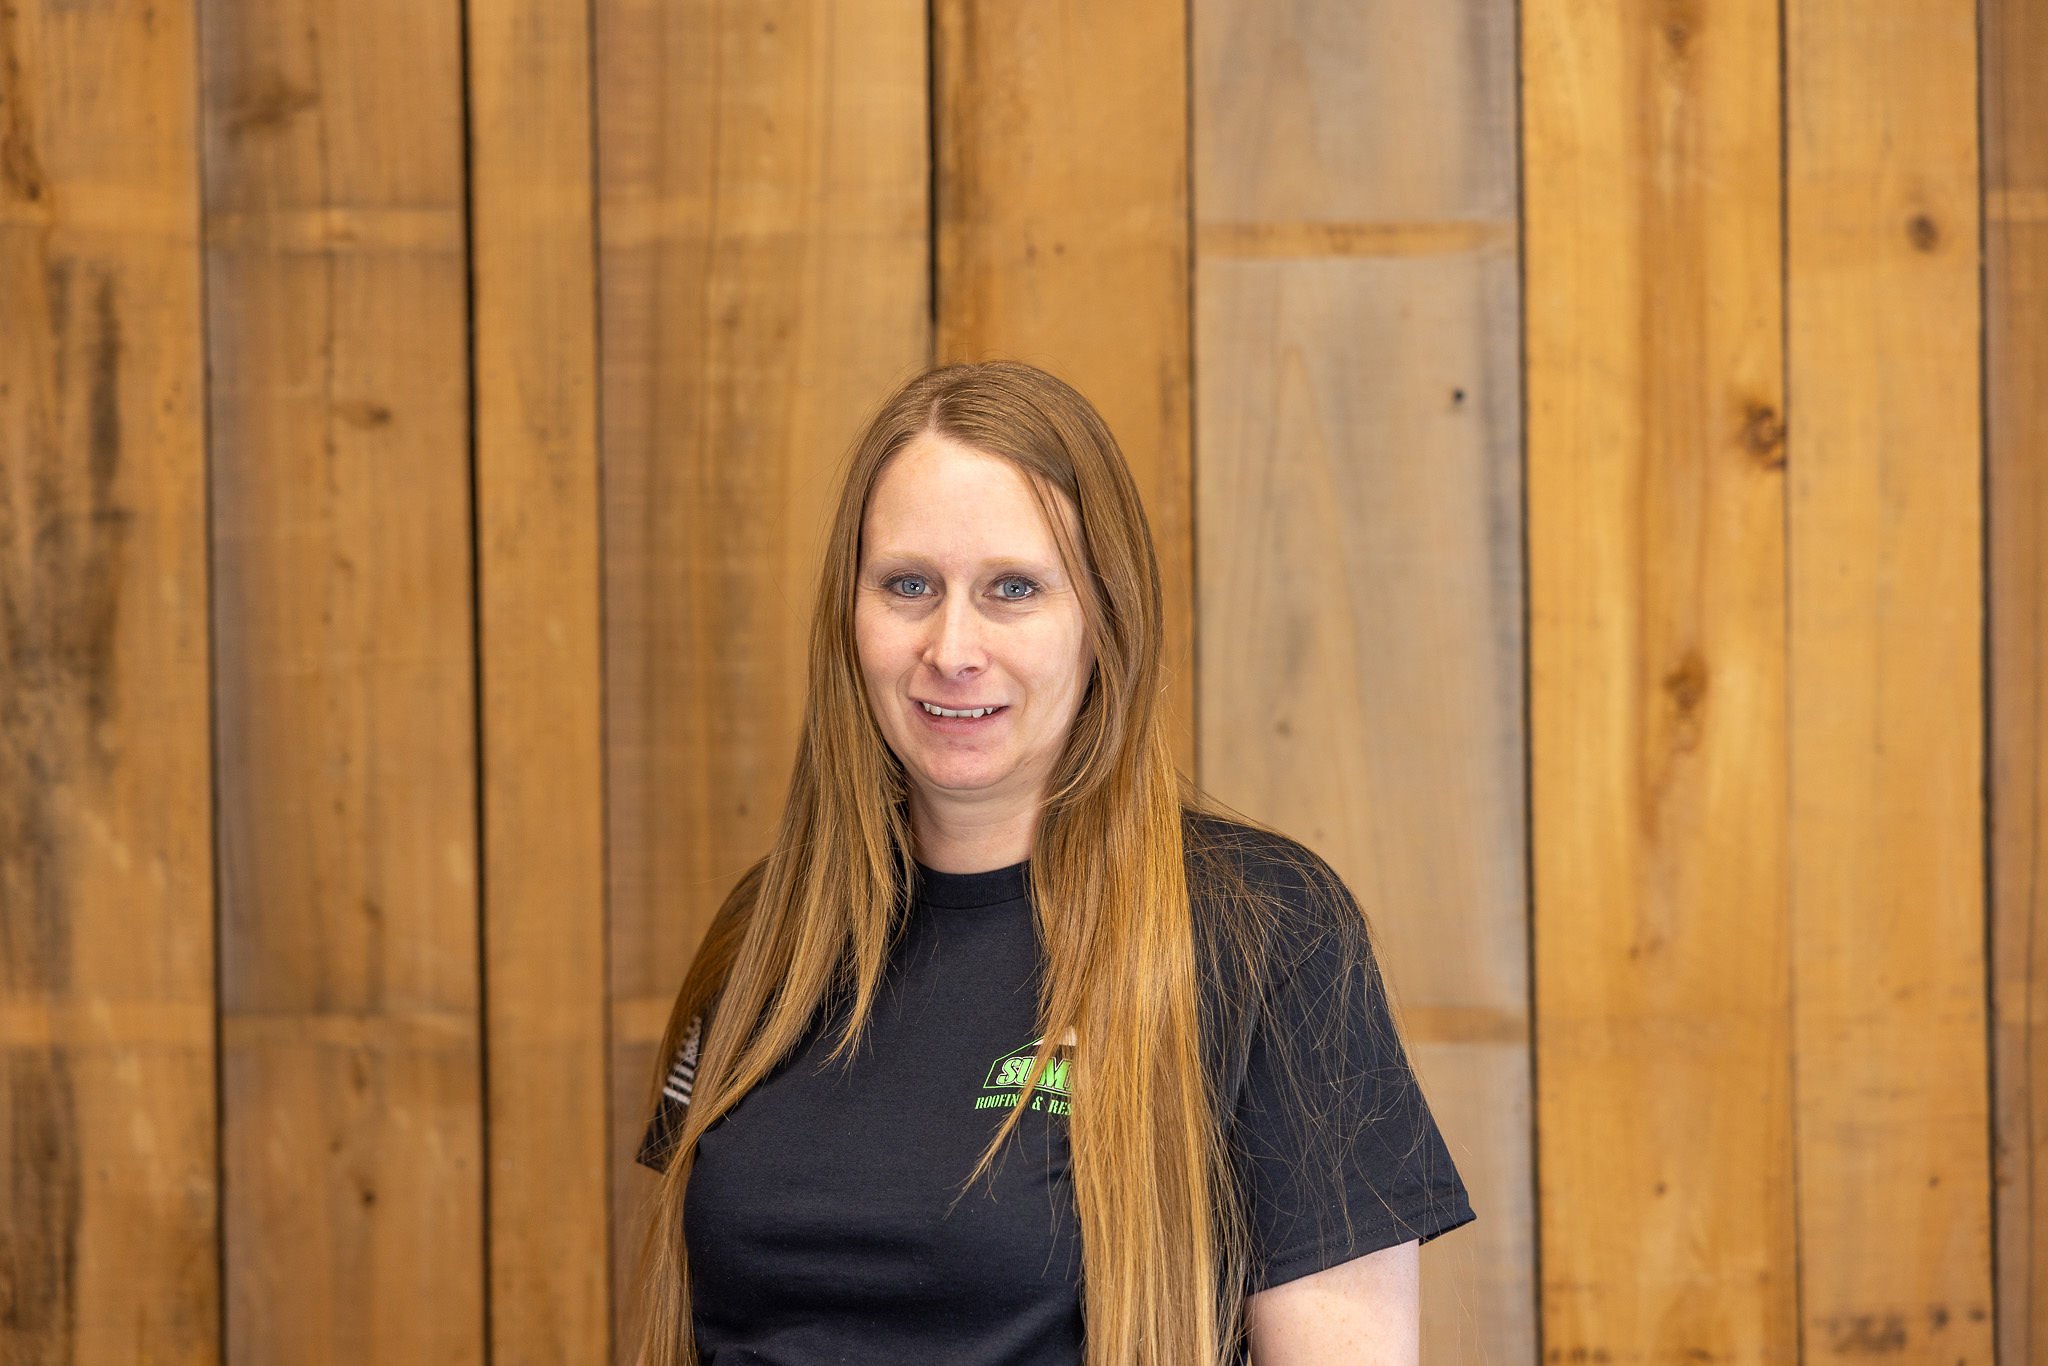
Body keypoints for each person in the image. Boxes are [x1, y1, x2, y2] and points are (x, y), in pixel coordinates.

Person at [632, 360, 1474, 1366]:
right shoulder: (762, 934)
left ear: (1101, 620)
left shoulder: (1264, 932)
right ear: (847, 617)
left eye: (1012, 589)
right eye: (907, 584)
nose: (951, 646)